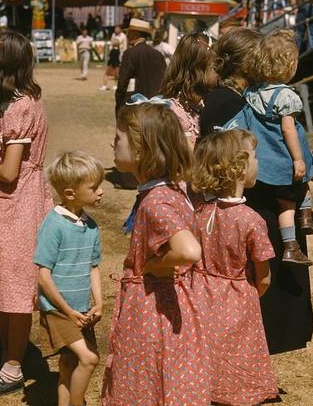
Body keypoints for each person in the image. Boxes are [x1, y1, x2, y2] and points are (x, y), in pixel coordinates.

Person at [202, 28, 313, 355]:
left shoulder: (251, 97)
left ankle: (276, 338)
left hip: (271, 195)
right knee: (265, 280)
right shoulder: (230, 102)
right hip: (259, 203)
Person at [102, 101, 210, 406]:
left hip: (152, 312)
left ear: (140, 150)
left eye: (119, 137)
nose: (113, 143)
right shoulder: (171, 191)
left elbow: (189, 250)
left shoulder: (156, 202)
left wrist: (153, 265)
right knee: (171, 378)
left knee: (145, 382)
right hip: (174, 306)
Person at [0, 31, 54, 397]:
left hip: (19, 204)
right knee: (2, 280)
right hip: (0, 204)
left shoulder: (22, 108)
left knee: (16, 285)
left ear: (3, 61)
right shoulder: (2, 103)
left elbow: (7, 171)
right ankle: (8, 357)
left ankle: (14, 366)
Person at [192, 129, 279, 406]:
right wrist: (249, 296)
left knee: (206, 352)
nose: (258, 161)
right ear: (240, 167)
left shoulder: (198, 211)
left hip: (199, 295)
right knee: (238, 355)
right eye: (254, 156)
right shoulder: (251, 220)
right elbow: (264, 277)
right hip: (238, 298)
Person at [231, 29, 313, 266]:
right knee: (294, 193)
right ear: (289, 66)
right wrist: (298, 158)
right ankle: (295, 237)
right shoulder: (286, 96)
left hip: (265, 158)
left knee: (283, 201)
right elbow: (288, 130)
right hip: (284, 156)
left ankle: (296, 234)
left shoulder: (252, 92)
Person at [35, 150, 104, 406]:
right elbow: (43, 277)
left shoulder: (91, 226)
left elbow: (93, 267)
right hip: (58, 309)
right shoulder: (53, 225)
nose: (101, 192)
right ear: (70, 193)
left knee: (69, 362)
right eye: (94, 187)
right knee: (89, 358)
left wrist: (99, 302)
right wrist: (67, 310)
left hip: (81, 309)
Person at [200, 27, 263, 137]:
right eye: (263, 58)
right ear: (246, 63)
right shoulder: (225, 102)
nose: (268, 64)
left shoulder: (238, 96)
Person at [160, 33, 219, 149]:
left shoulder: (206, 103)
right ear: (199, 68)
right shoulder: (173, 113)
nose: (221, 71)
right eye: (216, 65)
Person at [115, 18, 166, 112]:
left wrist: (119, 104)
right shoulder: (158, 55)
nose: (127, 35)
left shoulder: (130, 53)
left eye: (129, 32)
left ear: (135, 34)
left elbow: (122, 83)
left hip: (135, 107)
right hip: (155, 107)